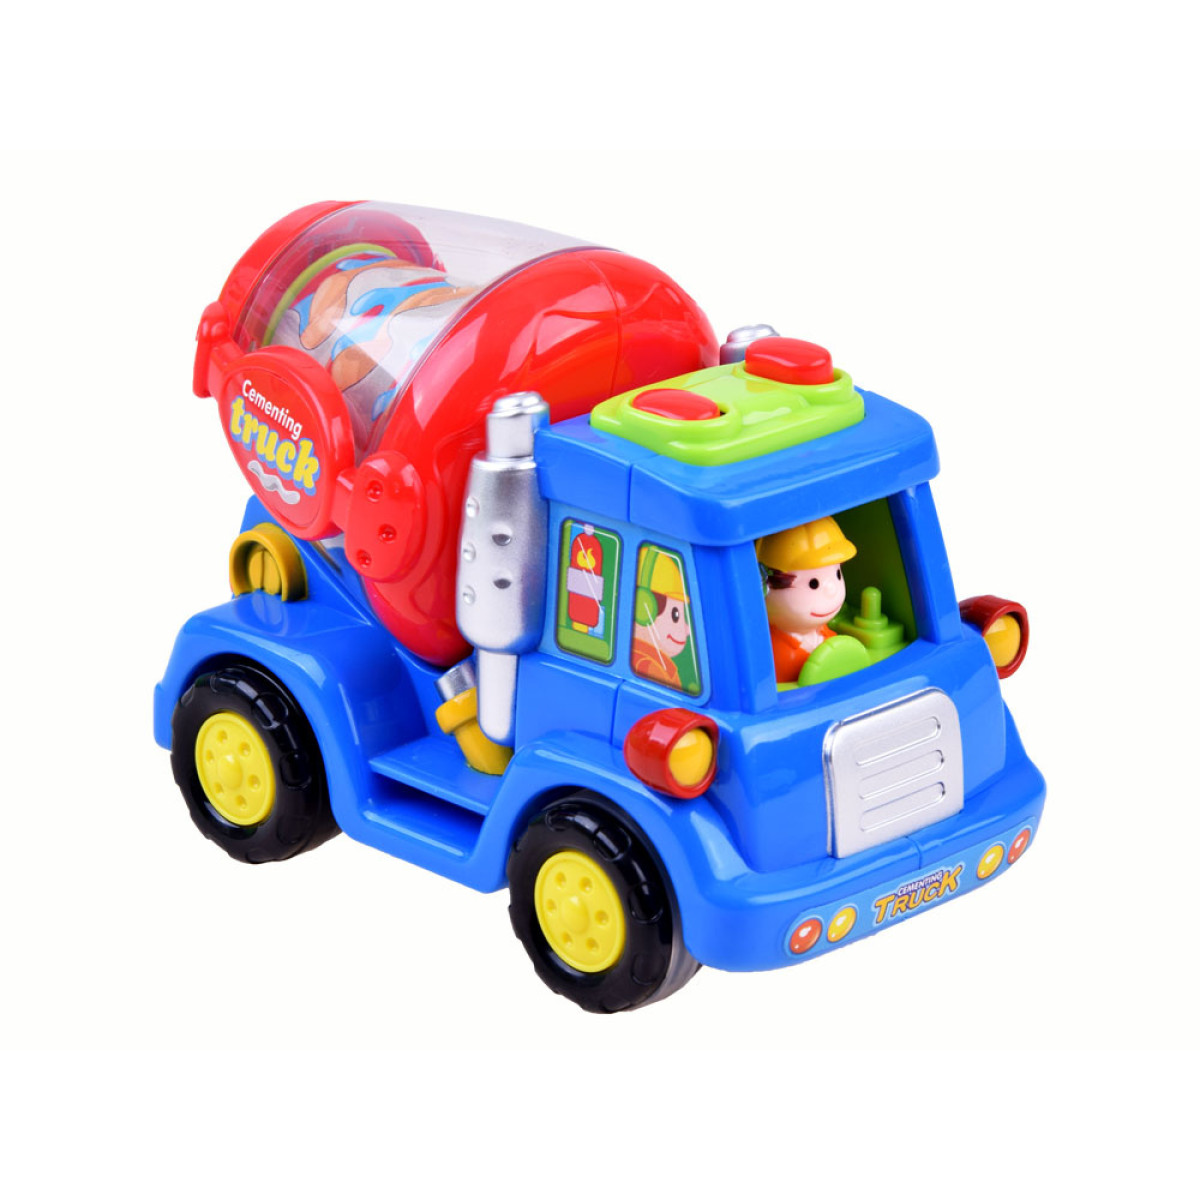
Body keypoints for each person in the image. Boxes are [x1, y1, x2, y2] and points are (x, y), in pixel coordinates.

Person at [758, 517, 857, 683]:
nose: (832, 590)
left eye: (838, 574)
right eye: (813, 584)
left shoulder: (827, 634)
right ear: (764, 584)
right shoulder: (770, 652)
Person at [631, 547, 692, 690]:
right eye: (675, 616)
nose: (688, 630)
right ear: (644, 609)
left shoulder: (661, 665)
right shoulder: (651, 668)